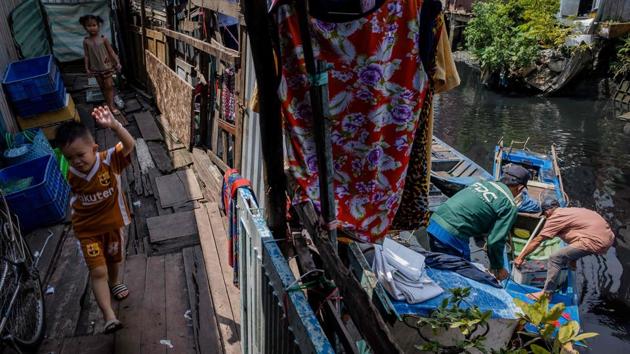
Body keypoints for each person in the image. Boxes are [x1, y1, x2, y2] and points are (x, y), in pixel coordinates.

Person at [56, 106, 135, 334]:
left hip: (111, 225)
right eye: (70, 158)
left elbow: (130, 146)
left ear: (94, 148)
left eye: (81, 155)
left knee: (114, 260)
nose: (77, 161)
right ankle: (108, 316)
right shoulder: (71, 173)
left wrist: (114, 125)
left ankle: (115, 282)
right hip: (87, 229)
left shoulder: (107, 160)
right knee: (97, 271)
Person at [427, 164, 531, 281]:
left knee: (441, 268)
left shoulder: (482, 183)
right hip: (452, 235)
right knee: (461, 277)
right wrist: (498, 267)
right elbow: (495, 241)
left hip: (435, 221)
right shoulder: (509, 205)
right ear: (520, 188)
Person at [514, 198, 615, 300]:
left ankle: (546, 294)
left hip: (595, 241)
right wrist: (573, 258)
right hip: (608, 237)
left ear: (548, 211)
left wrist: (520, 257)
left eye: (545, 215)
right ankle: (572, 260)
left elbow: (537, 240)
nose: (546, 217)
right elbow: (581, 231)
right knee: (568, 236)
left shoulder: (555, 217)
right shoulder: (570, 211)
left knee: (555, 258)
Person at [80, 15, 123, 116]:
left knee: (109, 86)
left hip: (106, 66)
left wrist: (117, 62)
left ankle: (111, 106)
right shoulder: (86, 41)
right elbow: (86, 55)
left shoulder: (104, 39)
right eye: (89, 26)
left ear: (98, 26)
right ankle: (108, 103)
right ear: (85, 27)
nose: (92, 27)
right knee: (102, 87)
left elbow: (111, 52)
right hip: (95, 68)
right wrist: (87, 67)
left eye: (94, 25)